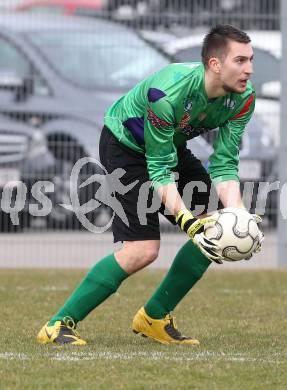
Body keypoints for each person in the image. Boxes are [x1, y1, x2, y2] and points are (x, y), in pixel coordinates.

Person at [37, 24, 263, 346]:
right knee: (142, 250)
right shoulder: (167, 93)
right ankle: (57, 326)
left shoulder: (243, 99)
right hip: (126, 146)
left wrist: (238, 216)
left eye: (251, 59)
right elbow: (158, 169)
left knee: (216, 227)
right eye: (240, 61)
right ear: (215, 64)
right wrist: (186, 219)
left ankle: (154, 317)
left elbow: (225, 164)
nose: (249, 69)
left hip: (168, 145)